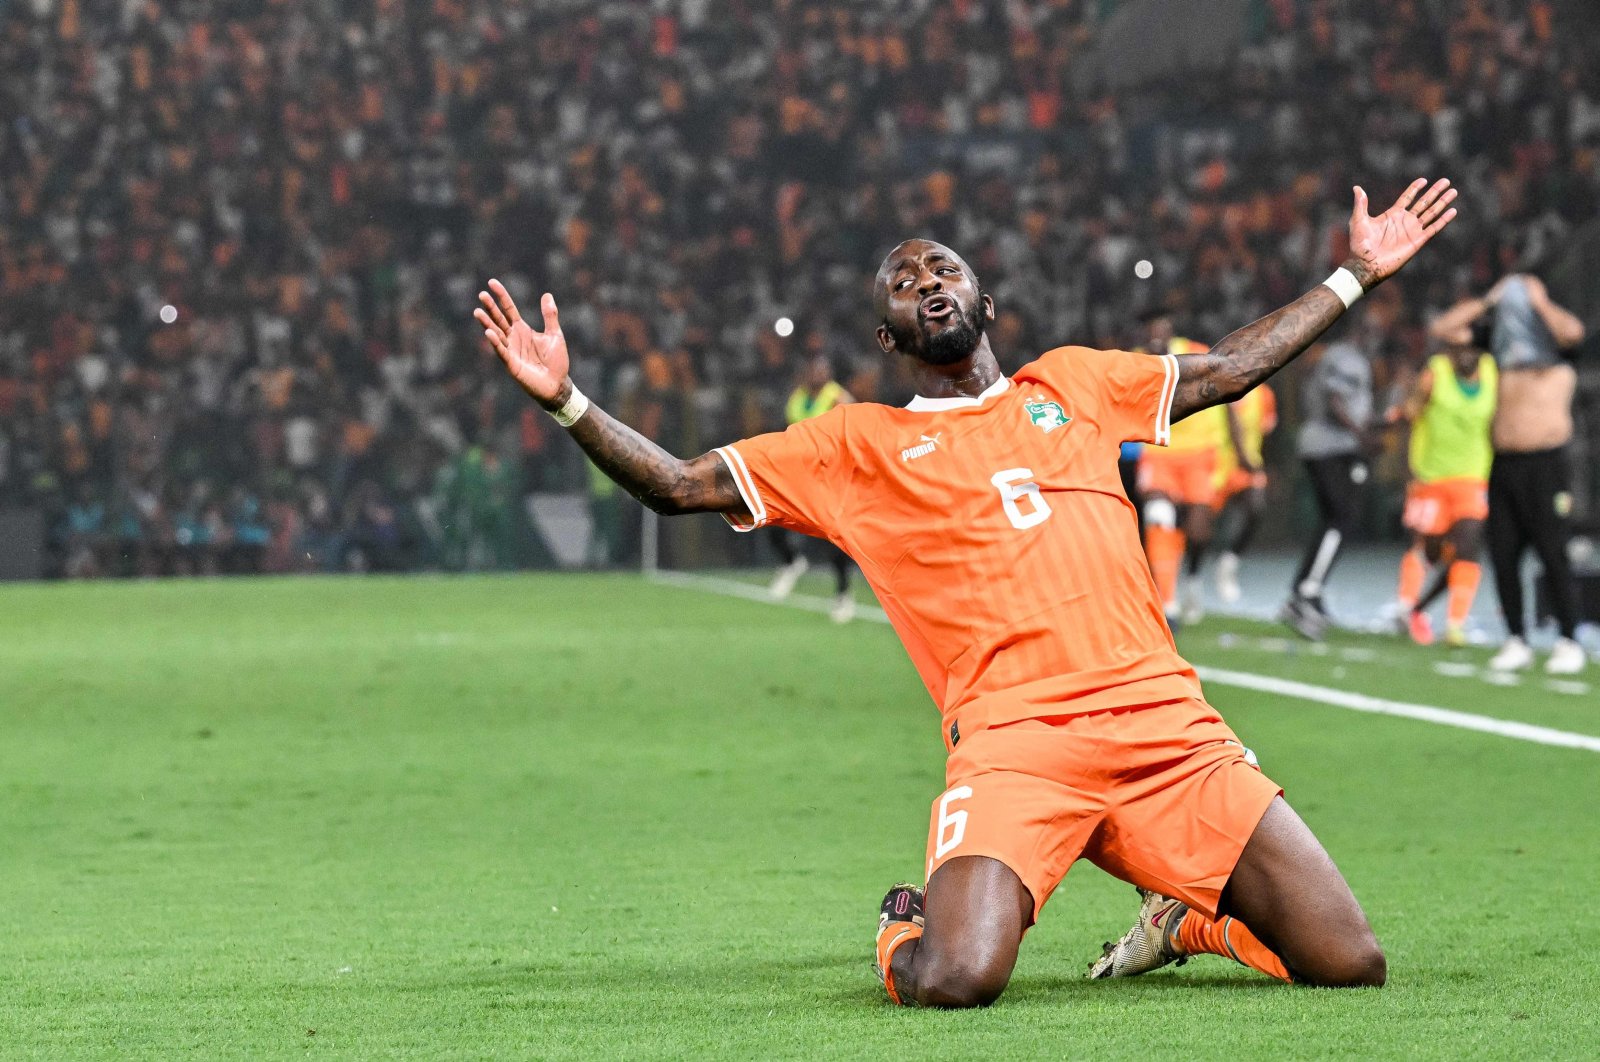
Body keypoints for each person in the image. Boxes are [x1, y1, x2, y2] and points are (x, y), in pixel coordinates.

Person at [475, 178, 1457, 1007]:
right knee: (953, 978)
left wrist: (1356, 273)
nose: (925, 283)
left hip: (1165, 727)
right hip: (1016, 745)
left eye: (943, 269)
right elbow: (677, 483)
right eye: (903, 283)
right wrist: (565, 398)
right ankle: (906, 920)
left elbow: (1231, 369)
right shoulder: (856, 447)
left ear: (983, 302)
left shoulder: (1072, 383)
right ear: (889, 335)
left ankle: (1184, 921)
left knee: (1347, 961)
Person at [1429, 275, 1587, 673]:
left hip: (1547, 464)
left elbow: (1574, 332)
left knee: (1553, 553)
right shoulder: (1498, 344)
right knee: (1503, 554)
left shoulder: (1559, 349)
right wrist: (1488, 300)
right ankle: (1516, 638)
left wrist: (1539, 300)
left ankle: (1569, 639)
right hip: (1504, 465)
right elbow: (1444, 329)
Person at [1385, 337, 1497, 646]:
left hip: (1473, 476)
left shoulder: (1491, 373)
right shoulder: (1435, 373)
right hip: (1431, 477)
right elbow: (1410, 414)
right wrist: (1407, 468)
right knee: (1430, 548)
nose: (1465, 355)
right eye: (1459, 348)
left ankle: (1455, 624)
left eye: (1472, 348)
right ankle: (1408, 607)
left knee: (1469, 544)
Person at [1279, 335, 1374, 641]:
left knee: (1334, 520)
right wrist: (1361, 434)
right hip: (1331, 447)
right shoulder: (1345, 356)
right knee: (1341, 518)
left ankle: (1308, 592)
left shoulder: (1339, 355)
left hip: (1328, 446)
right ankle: (1306, 592)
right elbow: (1335, 400)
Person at [1135, 311, 1224, 624]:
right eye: (1150, 328)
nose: (1157, 333)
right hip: (1159, 453)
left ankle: (1195, 578)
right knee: (1159, 517)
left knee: (1199, 531)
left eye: (1162, 328)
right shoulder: (1133, 361)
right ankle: (1167, 602)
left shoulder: (1196, 353)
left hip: (1200, 453)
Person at [768, 354, 858, 622]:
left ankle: (843, 595)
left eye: (822, 369)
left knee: (834, 539)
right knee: (770, 515)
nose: (817, 373)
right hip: (801, 475)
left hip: (831, 477)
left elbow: (854, 432)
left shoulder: (838, 398)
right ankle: (791, 561)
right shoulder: (797, 397)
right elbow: (788, 431)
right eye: (813, 368)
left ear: (828, 372)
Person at [1211, 384, 1278, 605]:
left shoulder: (1265, 395)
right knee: (1198, 527)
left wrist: (1264, 467)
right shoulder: (1217, 389)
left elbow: (1266, 436)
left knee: (1255, 508)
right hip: (1215, 465)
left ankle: (1228, 564)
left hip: (1248, 466)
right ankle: (1190, 577)